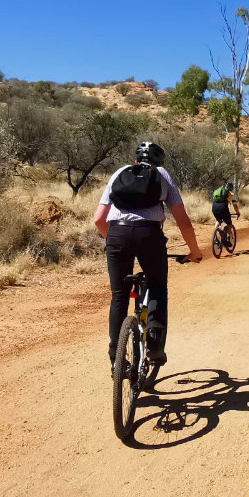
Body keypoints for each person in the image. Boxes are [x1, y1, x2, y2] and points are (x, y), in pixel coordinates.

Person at [95, 141, 203, 368]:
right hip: (149, 236)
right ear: (159, 162)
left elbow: (98, 219)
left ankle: (116, 354)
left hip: (117, 234)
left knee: (119, 295)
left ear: (136, 161)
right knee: (157, 286)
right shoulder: (162, 175)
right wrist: (194, 251)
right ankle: (155, 347)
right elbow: (182, 220)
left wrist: (114, 242)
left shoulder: (119, 173)